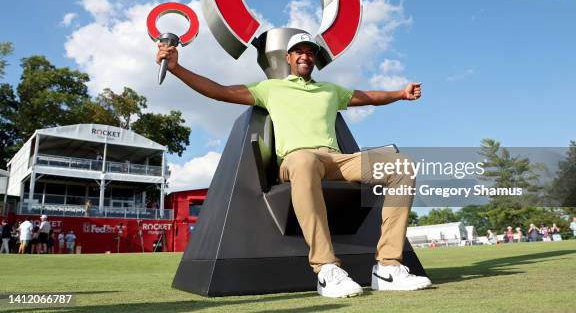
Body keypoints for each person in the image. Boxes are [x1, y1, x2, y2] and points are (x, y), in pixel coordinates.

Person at [156, 33, 430, 298]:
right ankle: (327, 269)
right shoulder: (270, 88)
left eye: (310, 53)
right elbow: (220, 92)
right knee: (304, 160)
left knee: (401, 166)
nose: (306, 56)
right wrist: (177, 68)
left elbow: (368, 96)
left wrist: (400, 93)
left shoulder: (330, 90)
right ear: (288, 57)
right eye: (300, 51)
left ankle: (388, 267)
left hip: (337, 161)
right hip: (296, 159)